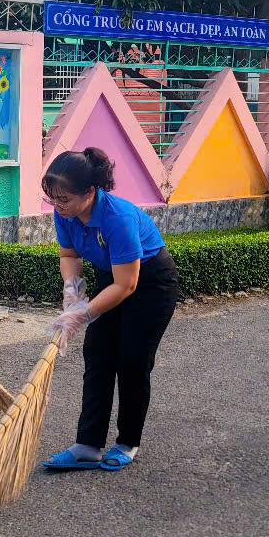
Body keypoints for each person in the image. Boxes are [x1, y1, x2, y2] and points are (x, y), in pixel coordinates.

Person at [39, 147, 179, 472]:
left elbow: (127, 285)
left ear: (90, 192)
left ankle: (127, 442)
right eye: (52, 198)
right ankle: (88, 445)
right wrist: (72, 291)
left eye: (64, 199)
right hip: (112, 277)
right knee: (98, 353)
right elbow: (69, 255)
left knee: (132, 361)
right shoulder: (65, 213)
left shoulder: (118, 218)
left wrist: (83, 314)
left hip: (150, 284)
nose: (57, 205)